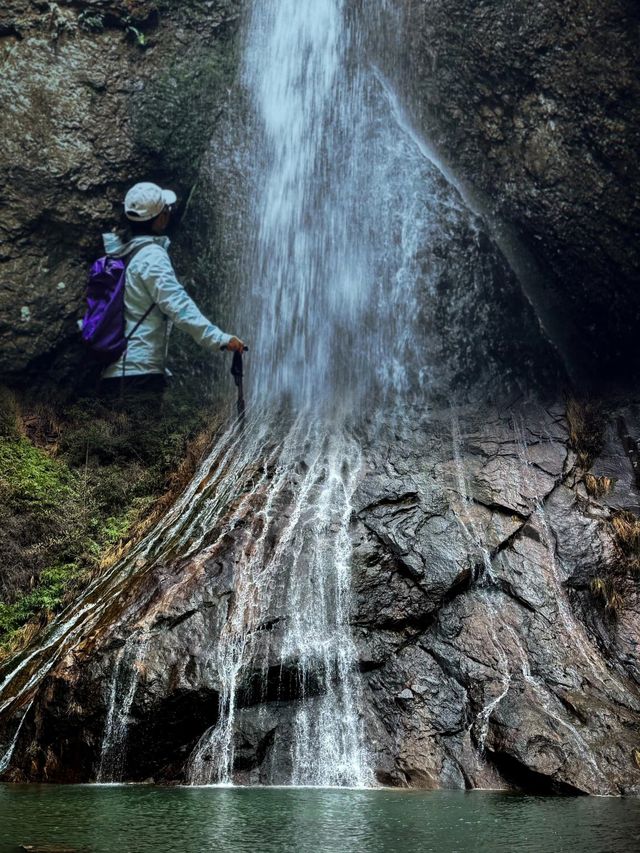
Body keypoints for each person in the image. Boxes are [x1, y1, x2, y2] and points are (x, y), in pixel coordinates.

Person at [99, 181, 244, 404]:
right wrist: (220, 339)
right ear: (160, 218)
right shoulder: (151, 257)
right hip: (138, 374)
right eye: (166, 209)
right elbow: (178, 306)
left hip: (113, 373)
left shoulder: (120, 254)